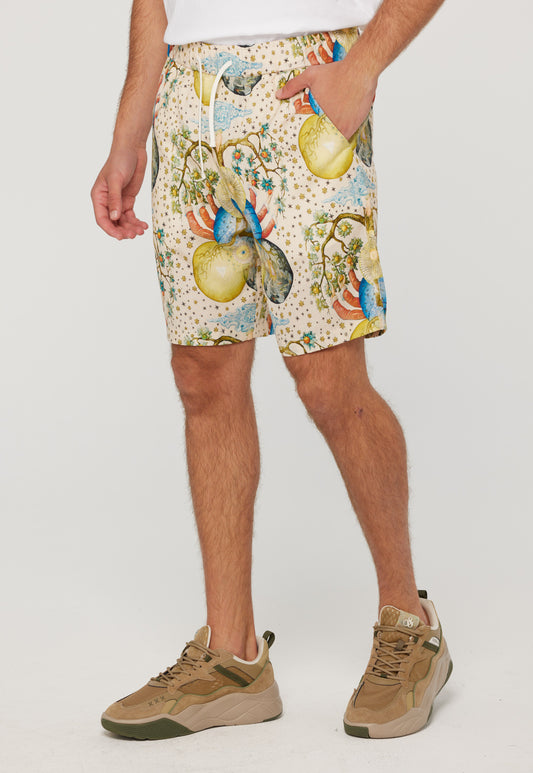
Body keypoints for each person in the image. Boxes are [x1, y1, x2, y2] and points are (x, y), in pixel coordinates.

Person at [91, 0, 453, 741]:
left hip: (305, 84)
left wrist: (363, 67)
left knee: (327, 377)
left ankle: (409, 624)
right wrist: (130, 128)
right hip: (188, 97)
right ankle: (232, 658)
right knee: (202, 376)